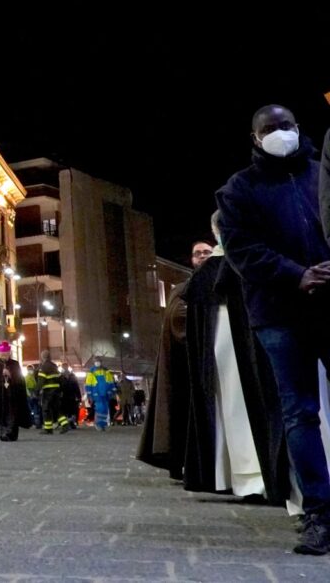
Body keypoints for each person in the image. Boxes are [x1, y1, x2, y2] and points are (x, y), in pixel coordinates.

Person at [218, 105, 330, 555]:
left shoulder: (322, 173)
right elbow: (240, 248)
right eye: (269, 129)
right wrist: (294, 274)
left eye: (285, 126)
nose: (279, 134)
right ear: (254, 137)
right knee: (299, 412)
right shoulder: (238, 190)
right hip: (279, 312)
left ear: (298, 128)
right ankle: (319, 512)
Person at [180, 211, 290, 504]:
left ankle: (253, 478)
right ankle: (257, 478)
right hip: (237, 356)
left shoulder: (227, 265)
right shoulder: (226, 267)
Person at [138, 241, 205, 478]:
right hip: (182, 365)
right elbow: (176, 317)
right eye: (198, 253)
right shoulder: (182, 288)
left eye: (207, 252)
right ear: (192, 260)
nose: (202, 257)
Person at [0, 341, 31, 441]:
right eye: (2, 353)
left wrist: (10, 375)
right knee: (1, 414)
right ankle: (3, 433)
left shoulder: (15, 364)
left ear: (9, 353)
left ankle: (11, 433)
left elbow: (20, 380)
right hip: (0, 395)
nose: (4, 355)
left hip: (13, 394)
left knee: (12, 415)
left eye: (6, 353)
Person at [37, 351, 68, 434]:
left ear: (43, 357)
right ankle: (65, 424)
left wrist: (37, 391)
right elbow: (61, 379)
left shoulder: (43, 367)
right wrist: (61, 390)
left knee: (46, 410)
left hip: (47, 392)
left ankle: (48, 429)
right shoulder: (54, 366)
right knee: (57, 409)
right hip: (56, 392)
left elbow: (41, 381)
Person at [85, 358, 116, 431]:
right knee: (100, 408)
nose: (97, 363)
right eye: (96, 361)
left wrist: (112, 390)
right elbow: (88, 383)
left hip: (105, 392)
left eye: (98, 361)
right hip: (96, 392)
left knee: (105, 408)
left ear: (101, 362)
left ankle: (102, 424)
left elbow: (110, 381)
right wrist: (89, 393)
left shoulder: (106, 370)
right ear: (94, 362)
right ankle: (98, 423)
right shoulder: (91, 371)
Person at [59, 363, 81, 430]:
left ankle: (72, 423)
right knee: (64, 411)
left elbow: (76, 387)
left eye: (66, 367)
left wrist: (79, 396)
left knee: (72, 411)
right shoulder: (60, 377)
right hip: (63, 397)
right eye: (63, 367)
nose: (65, 368)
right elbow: (58, 387)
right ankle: (66, 424)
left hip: (72, 397)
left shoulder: (72, 376)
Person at [25, 364, 42, 429]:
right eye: (29, 369)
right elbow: (26, 387)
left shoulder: (32, 377)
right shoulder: (27, 377)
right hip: (30, 395)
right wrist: (29, 394)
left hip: (33, 394)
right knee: (32, 410)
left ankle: (36, 423)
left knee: (35, 410)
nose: (31, 370)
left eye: (31, 369)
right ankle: (33, 423)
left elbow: (35, 386)